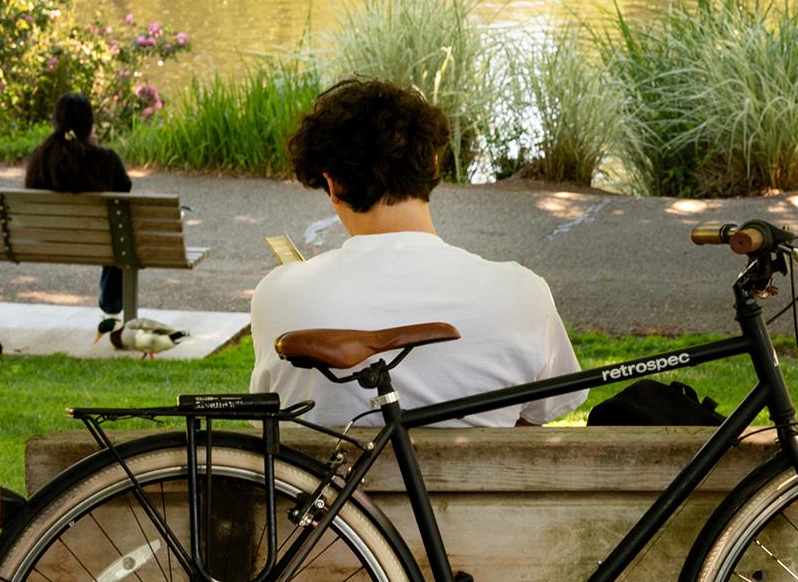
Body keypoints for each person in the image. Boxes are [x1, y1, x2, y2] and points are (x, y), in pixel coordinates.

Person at [249, 78, 585, 428]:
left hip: (319, 481)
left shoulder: (277, 291)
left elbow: (268, 419)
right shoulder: (523, 292)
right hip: (473, 481)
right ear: (434, 165)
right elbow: (533, 420)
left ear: (334, 185)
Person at [23, 93, 132, 316]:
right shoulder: (106, 159)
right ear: (90, 123)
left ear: (54, 121)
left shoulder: (41, 157)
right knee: (122, 235)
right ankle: (111, 300)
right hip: (100, 241)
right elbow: (125, 188)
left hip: (46, 238)